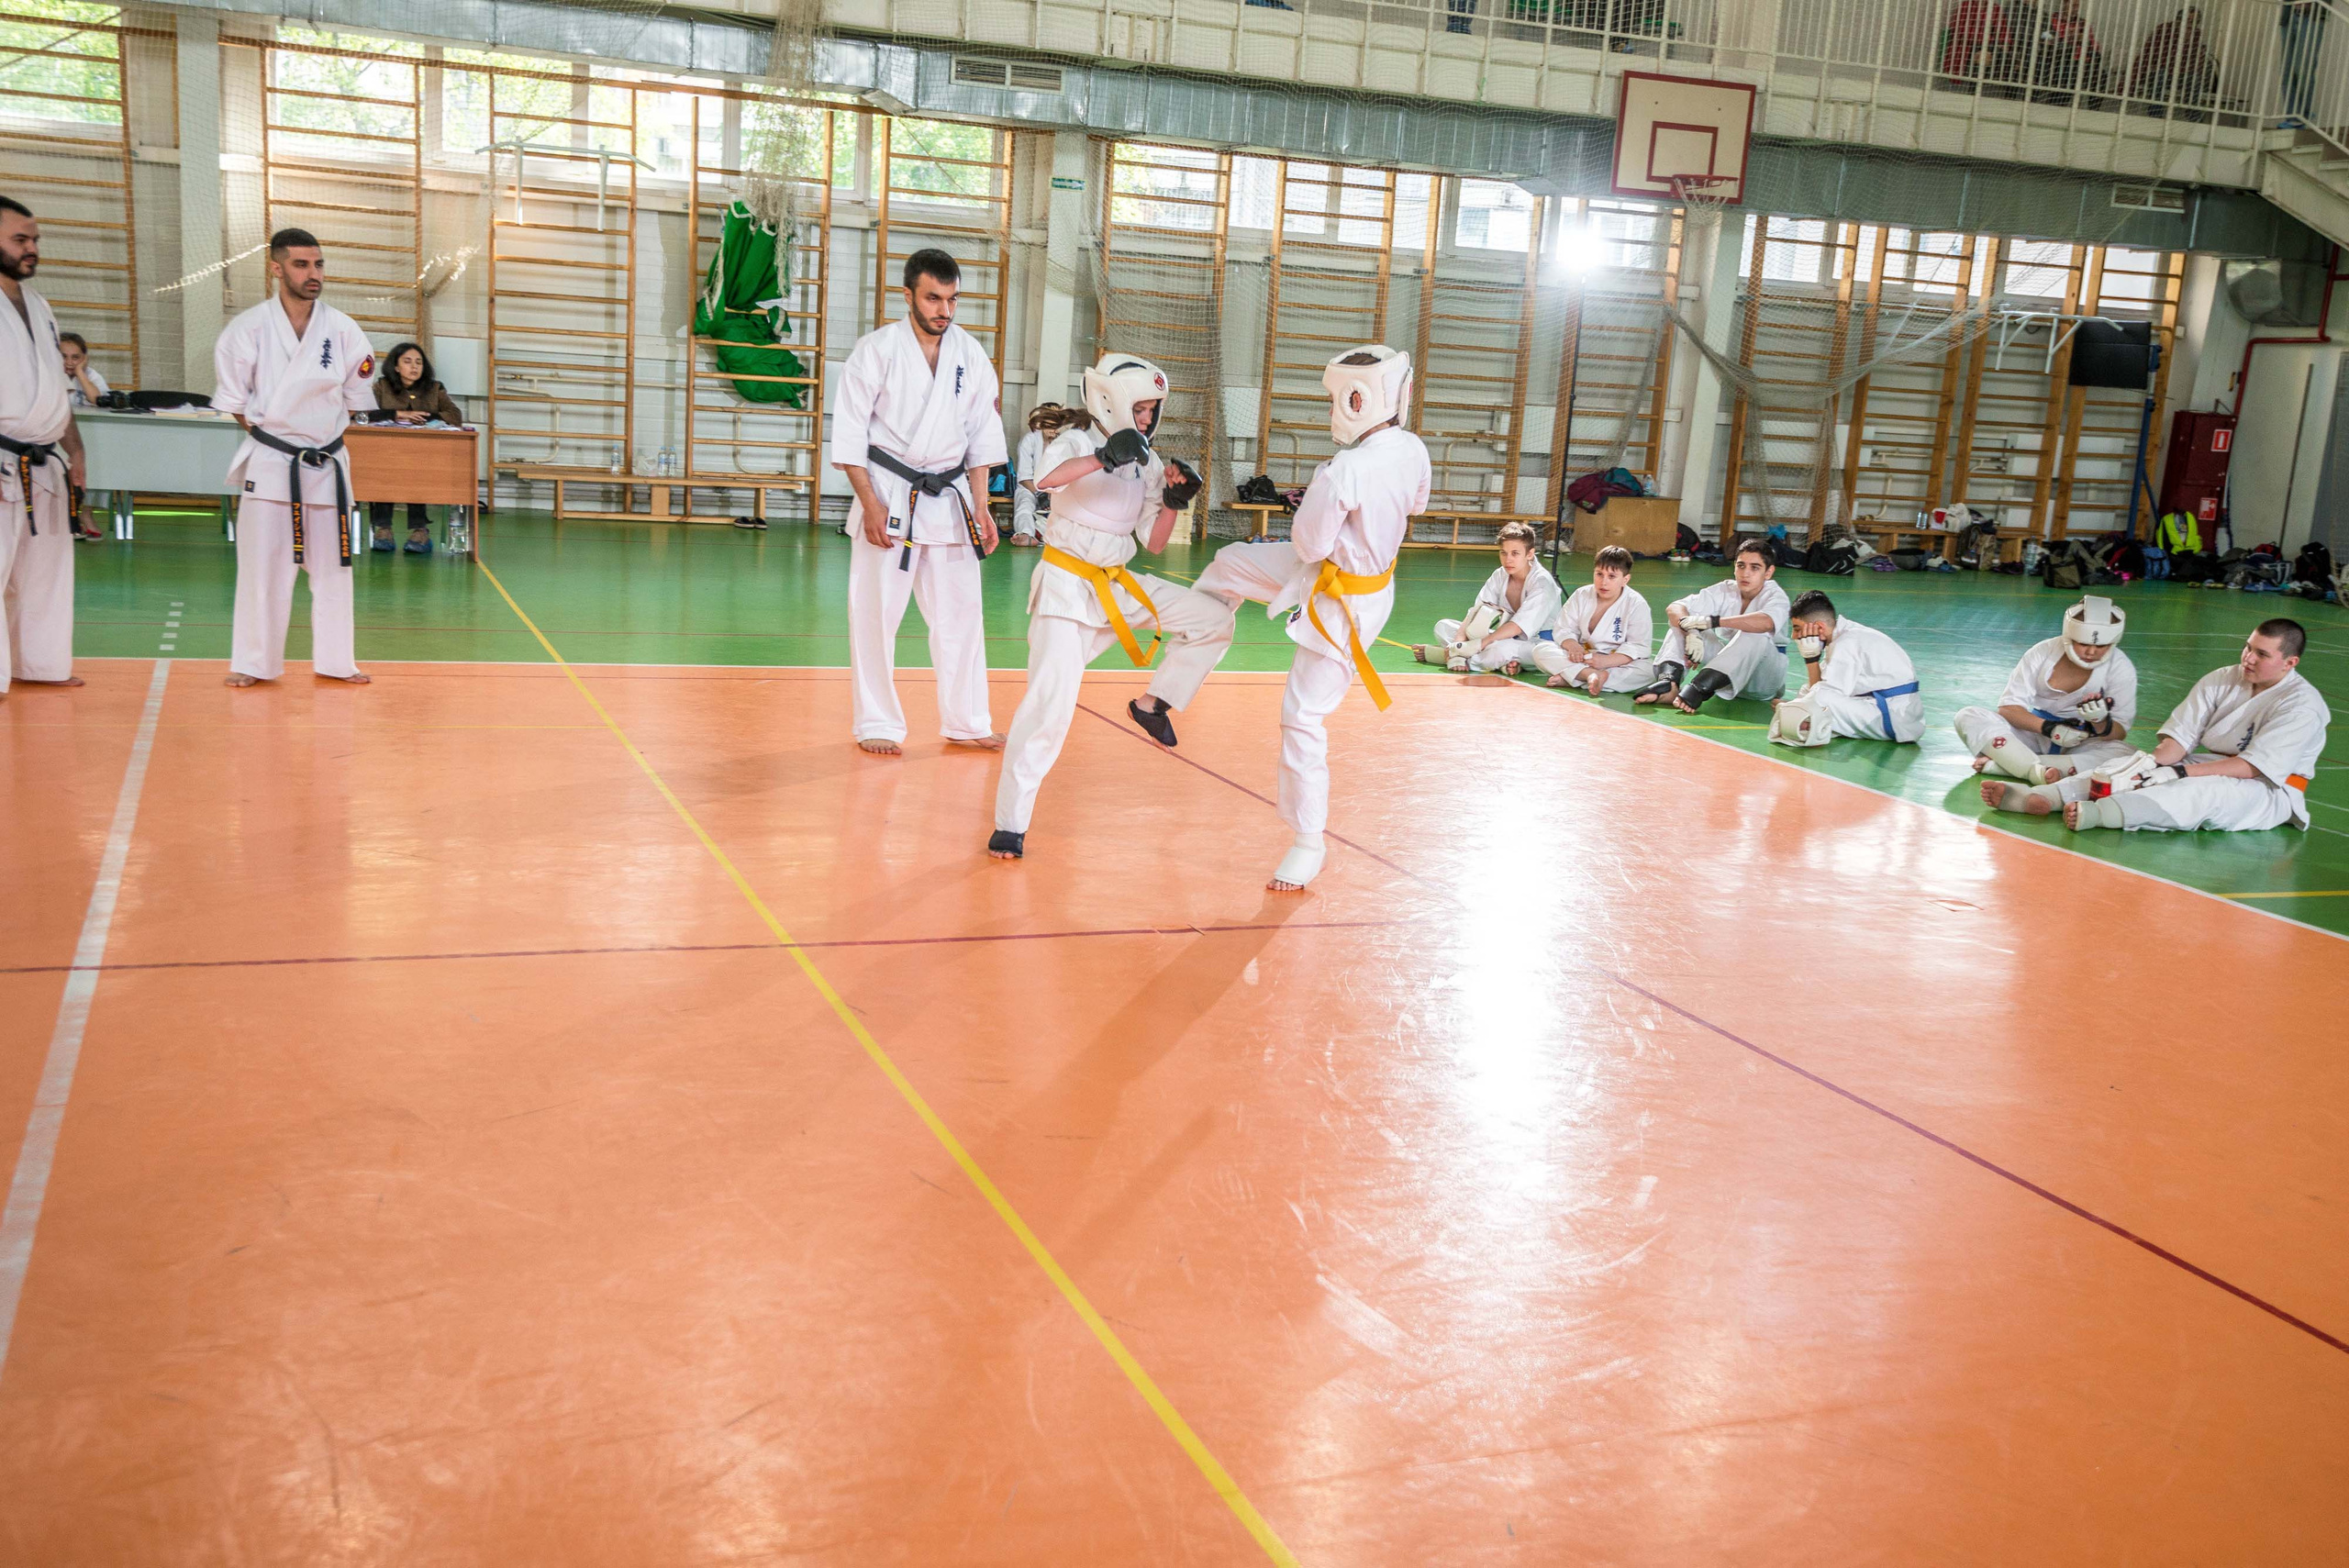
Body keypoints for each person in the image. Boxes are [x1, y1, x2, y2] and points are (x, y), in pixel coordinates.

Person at [1143, 345, 1431, 891]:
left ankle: (1308, 842)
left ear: (1356, 399)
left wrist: (1323, 501)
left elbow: (1311, 540)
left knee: (1302, 718)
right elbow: (1413, 505)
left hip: (1341, 603)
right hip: (1340, 573)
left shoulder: (1345, 468)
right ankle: (1161, 695)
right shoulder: (1412, 449)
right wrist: (1333, 505)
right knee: (1228, 566)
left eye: (1333, 399)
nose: (1330, 409)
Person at [987, 354, 1216, 859]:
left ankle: (1152, 704)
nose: (1148, 419)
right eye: (1141, 409)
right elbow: (1045, 481)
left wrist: (1176, 504)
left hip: (1116, 587)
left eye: (1154, 410)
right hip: (1066, 589)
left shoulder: (1150, 463)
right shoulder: (1075, 441)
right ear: (1111, 402)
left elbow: (1153, 544)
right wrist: (1103, 457)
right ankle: (1011, 823)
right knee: (1049, 708)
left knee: (1211, 618)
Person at [830, 249, 1005, 756]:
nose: (943, 310)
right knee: (874, 615)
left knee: (963, 615)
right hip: (890, 491)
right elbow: (850, 436)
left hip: (949, 501)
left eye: (951, 300)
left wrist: (980, 507)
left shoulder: (970, 355)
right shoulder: (876, 350)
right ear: (908, 295)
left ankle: (967, 721)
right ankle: (877, 723)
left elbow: (983, 438)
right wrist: (869, 505)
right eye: (933, 298)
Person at [212, 228, 379, 688]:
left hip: (327, 465)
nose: (313, 274)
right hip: (271, 464)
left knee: (334, 571)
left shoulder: (343, 329)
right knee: (263, 571)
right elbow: (236, 405)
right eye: (302, 264)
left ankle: (337, 662)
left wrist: (317, 437)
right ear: (276, 267)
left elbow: (354, 398)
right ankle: (252, 663)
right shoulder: (245, 329)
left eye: (319, 264)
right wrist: (281, 439)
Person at [1987, 620, 2327, 833]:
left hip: (2268, 788)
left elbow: (2251, 767)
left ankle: (2101, 814)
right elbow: (2178, 741)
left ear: (2289, 663)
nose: (2247, 658)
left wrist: (2176, 775)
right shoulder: (2223, 678)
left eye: (2262, 655)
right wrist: (2149, 765)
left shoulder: (2301, 705)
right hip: (2208, 764)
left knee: (2197, 793)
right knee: (2123, 767)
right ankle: (2042, 797)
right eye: (2248, 648)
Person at [0, 194, 86, 698]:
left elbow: (56, 389)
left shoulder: (40, 305)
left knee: (46, 573)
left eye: (35, 240)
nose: (32, 249)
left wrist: (76, 452)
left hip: (43, 459)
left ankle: (40, 664)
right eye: (20, 240)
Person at [1957, 595, 2138, 788]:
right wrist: (2049, 728)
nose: (2091, 652)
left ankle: (2008, 765)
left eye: (2101, 645)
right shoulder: (2042, 652)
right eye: (2083, 644)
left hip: (2084, 741)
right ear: (2069, 636)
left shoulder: (2121, 667)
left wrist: (2101, 721)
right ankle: (2034, 770)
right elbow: (2009, 708)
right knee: (1968, 716)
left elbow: (2118, 733)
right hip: (2034, 732)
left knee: (2126, 755)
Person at [1636, 537, 1790, 715]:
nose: (1745, 573)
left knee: (1754, 632)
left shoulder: (1776, 596)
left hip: (1762, 680)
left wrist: (1712, 622)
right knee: (1683, 624)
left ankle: (1700, 688)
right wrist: (1692, 632)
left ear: (1769, 572)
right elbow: (1675, 607)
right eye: (1741, 565)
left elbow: (1765, 623)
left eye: (1754, 568)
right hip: (1727, 673)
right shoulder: (1726, 589)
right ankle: (1669, 683)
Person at [1765, 589, 1924, 746]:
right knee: (1807, 691)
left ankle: (1807, 721)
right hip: (1889, 711)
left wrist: (1811, 660)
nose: (1793, 636)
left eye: (1797, 629)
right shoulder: (1844, 635)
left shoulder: (1846, 643)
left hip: (1893, 720)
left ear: (1819, 628)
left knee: (1818, 697)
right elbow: (1817, 688)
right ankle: (1807, 719)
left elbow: (1824, 695)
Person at [1408, 520, 1561, 673]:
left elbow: (1517, 626)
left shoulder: (1542, 583)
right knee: (1443, 627)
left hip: (1538, 645)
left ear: (1530, 554)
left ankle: (1445, 656)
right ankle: (1499, 664)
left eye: (1515, 553)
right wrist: (1458, 643)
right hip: (1503, 637)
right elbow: (1475, 611)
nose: (1508, 559)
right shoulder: (1500, 574)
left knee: (1500, 650)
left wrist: (1478, 645)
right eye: (1503, 552)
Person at [368, 340, 465, 555]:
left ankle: (420, 531)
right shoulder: (381, 387)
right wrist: (397, 414)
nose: (414, 367)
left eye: (419, 362)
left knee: (416, 473)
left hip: (424, 454)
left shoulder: (434, 388)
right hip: (388, 452)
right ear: (396, 366)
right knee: (384, 471)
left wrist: (427, 416)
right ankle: (383, 529)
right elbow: (364, 414)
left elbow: (455, 415)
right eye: (408, 362)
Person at [1541, 545, 1654, 695]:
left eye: (1612, 576)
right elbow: (1563, 628)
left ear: (1625, 579)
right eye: (1599, 574)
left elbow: (1638, 646)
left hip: (1615, 662)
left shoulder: (1636, 604)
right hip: (1583, 657)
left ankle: (1575, 678)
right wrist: (1573, 646)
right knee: (1541, 651)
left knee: (1650, 671)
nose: (1603, 582)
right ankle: (1589, 676)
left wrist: (1606, 662)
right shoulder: (1582, 594)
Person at [55, 331, 106, 539]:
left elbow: (98, 399)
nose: (69, 362)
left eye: (75, 357)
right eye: (63, 356)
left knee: (98, 461)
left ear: (84, 358)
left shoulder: (91, 375)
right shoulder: (48, 375)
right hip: (57, 438)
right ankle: (66, 518)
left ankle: (86, 513)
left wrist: (80, 373)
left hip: (86, 437)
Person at [1010, 402, 1085, 547]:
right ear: (1041, 424)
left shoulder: (1065, 442)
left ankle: (1056, 536)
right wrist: (1040, 494)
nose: (1053, 430)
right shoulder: (1029, 441)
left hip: (1057, 490)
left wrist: (1052, 494)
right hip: (1030, 488)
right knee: (1025, 506)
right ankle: (1026, 534)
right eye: (1049, 425)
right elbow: (1024, 477)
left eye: (1056, 426)